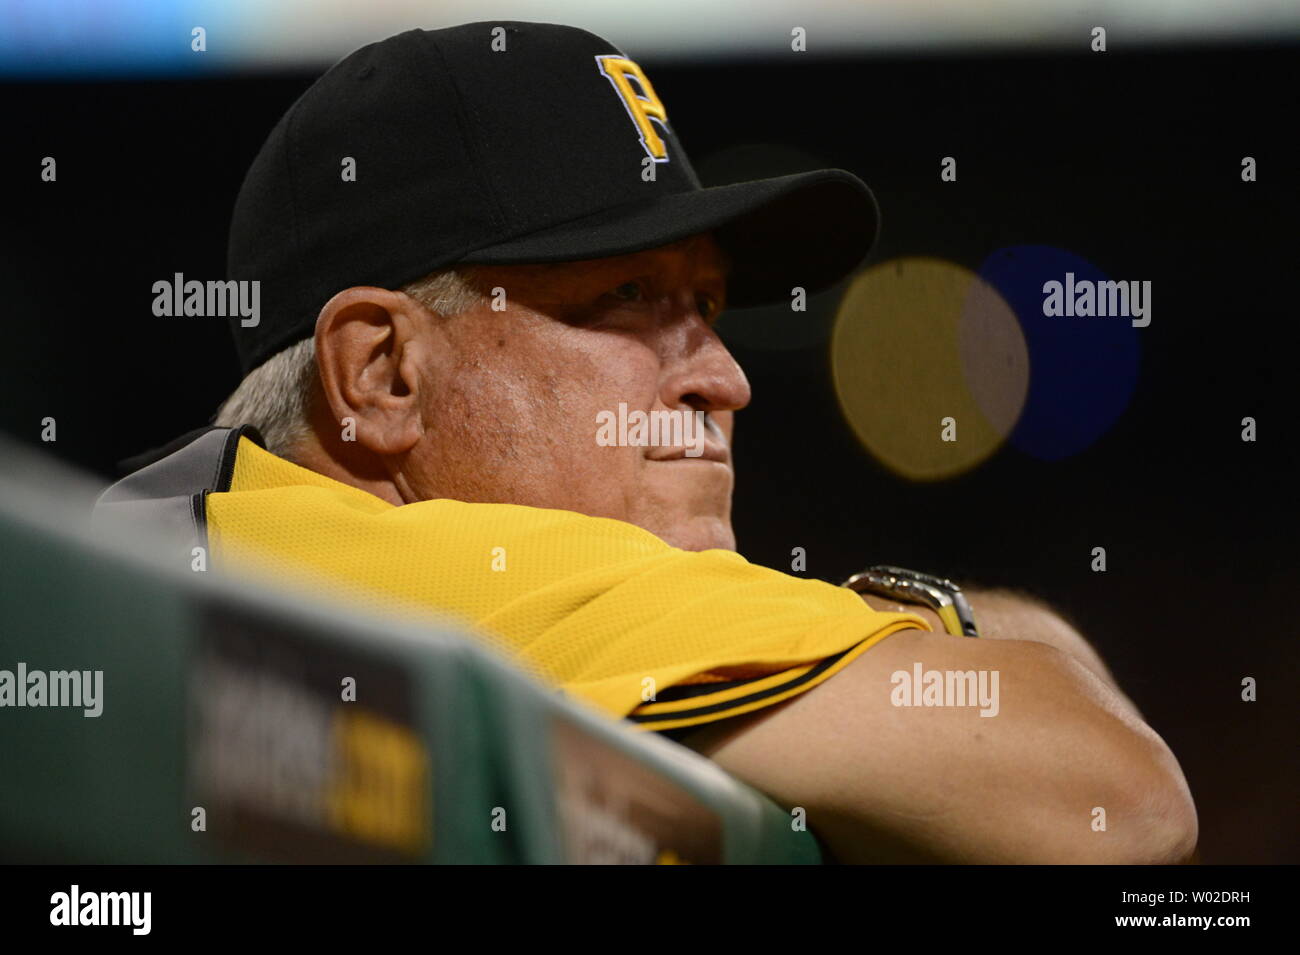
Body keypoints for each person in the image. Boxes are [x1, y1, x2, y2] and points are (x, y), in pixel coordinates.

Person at [96, 22, 1196, 863]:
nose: (726, 378)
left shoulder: (231, 533)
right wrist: (940, 622)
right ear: (384, 374)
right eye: (625, 297)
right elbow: (1119, 803)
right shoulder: (452, 574)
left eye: (709, 309)